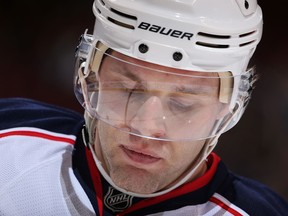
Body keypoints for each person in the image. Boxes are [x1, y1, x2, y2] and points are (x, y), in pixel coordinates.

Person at [0, 0, 288, 215]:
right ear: (90, 75)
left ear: (227, 109)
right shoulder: (8, 140)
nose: (145, 126)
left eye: (182, 104)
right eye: (126, 89)